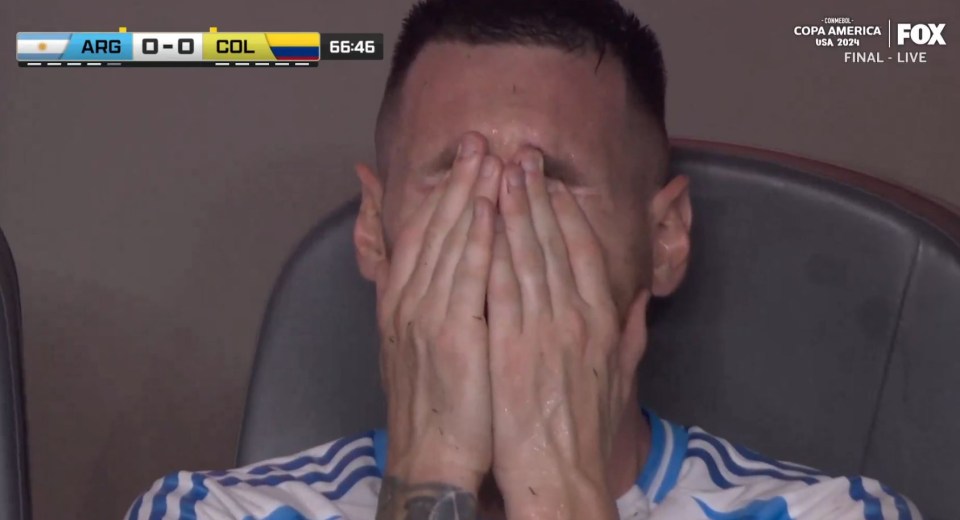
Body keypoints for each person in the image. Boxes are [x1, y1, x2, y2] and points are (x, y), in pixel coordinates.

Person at [126, 0, 923, 518]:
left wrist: (560, 494)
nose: (500, 221)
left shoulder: (838, 514)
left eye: (553, 182)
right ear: (374, 227)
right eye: (452, 175)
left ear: (667, 239)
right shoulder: (205, 511)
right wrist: (429, 471)